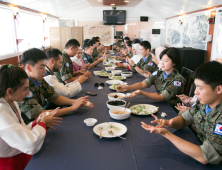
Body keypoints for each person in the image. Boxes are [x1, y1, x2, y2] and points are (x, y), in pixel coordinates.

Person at [141, 61, 222, 164]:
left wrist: (167, 134)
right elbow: (184, 119)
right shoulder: (205, 103)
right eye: (196, 87)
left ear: (218, 89)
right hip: (197, 146)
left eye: (200, 88)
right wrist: (168, 122)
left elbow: (204, 157)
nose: (195, 92)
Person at [0, 65, 62, 169]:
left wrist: (37, 122)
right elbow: (30, 144)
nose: (28, 93)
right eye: (24, 89)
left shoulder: (11, 102)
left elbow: (20, 129)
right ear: (9, 91)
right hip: (9, 161)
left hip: (17, 153)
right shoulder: (1, 111)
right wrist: (42, 124)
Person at [19, 48, 94, 124]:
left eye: (45, 67)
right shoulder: (22, 87)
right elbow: (38, 114)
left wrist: (75, 102)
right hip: (30, 128)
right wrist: (71, 108)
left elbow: (54, 97)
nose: (44, 71)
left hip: (43, 122)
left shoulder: (39, 79)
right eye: (41, 68)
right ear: (28, 67)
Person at [117, 48, 185, 112]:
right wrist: (127, 88)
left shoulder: (177, 80)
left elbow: (161, 97)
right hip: (160, 104)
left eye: (166, 61)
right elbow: (143, 84)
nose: (162, 63)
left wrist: (142, 93)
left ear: (174, 63)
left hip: (171, 110)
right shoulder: (159, 72)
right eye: (161, 60)